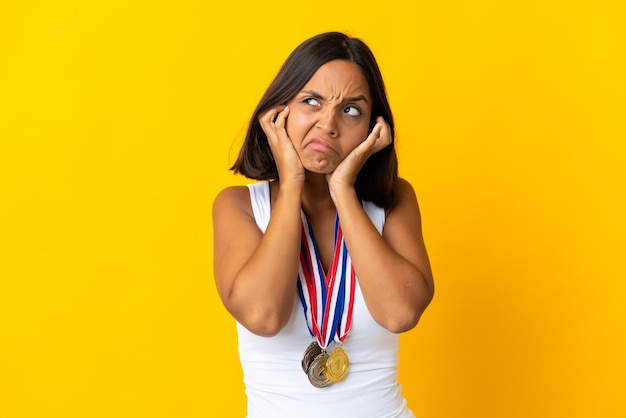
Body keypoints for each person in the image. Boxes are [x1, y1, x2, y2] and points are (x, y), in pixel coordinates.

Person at [212, 31, 434, 418]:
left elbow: (400, 314)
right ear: (279, 113)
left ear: (372, 129)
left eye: (351, 110)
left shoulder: (394, 200)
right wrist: (293, 181)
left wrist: (344, 190)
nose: (328, 124)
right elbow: (264, 317)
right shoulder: (240, 206)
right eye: (311, 101)